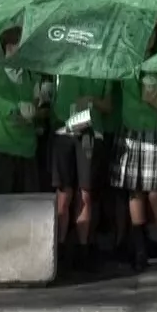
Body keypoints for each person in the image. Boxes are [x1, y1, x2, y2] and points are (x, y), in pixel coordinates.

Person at [115, 71, 157, 271]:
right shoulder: (127, 65)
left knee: (156, 193)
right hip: (131, 130)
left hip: (156, 129)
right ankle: (140, 252)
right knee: (135, 192)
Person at [50, 73, 114, 273]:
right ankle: (59, 248)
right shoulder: (62, 62)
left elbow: (108, 106)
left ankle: (83, 248)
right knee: (64, 193)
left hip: (91, 133)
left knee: (85, 192)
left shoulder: (103, 67)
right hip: (63, 131)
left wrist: (91, 101)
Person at [0, 30, 45, 196]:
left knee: (27, 206)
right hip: (0, 153)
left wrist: (33, 113)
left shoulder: (32, 75)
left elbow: (42, 109)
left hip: (26, 152)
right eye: (22, 45)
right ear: (10, 47)